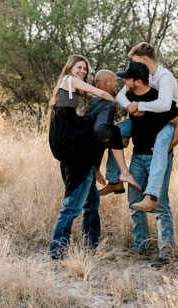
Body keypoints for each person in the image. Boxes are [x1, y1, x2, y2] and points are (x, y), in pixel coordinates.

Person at [47, 55, 140, 259]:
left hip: (70, 137)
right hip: (68, 136)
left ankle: (90, 247)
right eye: (79, 67)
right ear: (70, 67)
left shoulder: (75, 88)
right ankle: (57, 251)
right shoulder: (68, 80)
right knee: (72, 206)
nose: (82, 71)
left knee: (91, 202)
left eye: (85, 69)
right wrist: (118, 103)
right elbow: (99, 92)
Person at [116, 61, 178, 265]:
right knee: (134, 201)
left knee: (161, 203)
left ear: (137, 81)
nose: (124, 81)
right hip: (137, 157)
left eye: (127, 78)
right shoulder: (130, 97)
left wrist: (167, 148)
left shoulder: (159, 99)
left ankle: (166, 252)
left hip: (157, 158)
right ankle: (141, 246)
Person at [100, 42, 178, 200]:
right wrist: (130, 106)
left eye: (134, 61)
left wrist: (139, 105)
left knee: (160, 146)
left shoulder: (164, 76)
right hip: (145, 118)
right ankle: (114, 180)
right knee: (114, 132)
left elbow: (164, 104)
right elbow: (121, 96)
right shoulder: (140, 76)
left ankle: (152, 196)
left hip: (170, 121)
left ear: (145, 59)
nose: (132, 65)